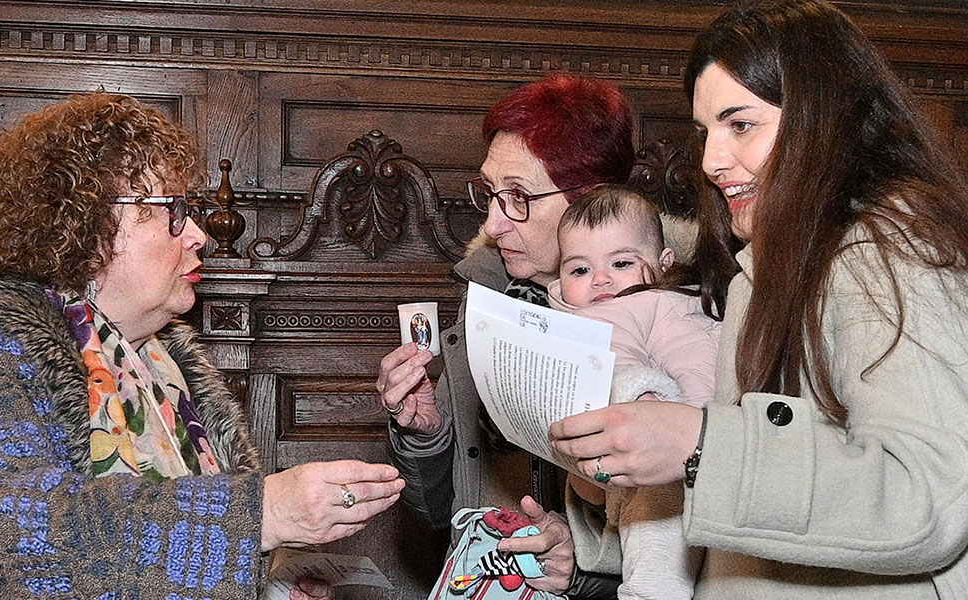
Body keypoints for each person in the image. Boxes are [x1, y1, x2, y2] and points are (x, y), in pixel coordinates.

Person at [0, 92, 405, 600]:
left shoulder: (159, 361)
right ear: (86, 226)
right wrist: (263, 513)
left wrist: (271, 580)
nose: (198, 234)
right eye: (172, 210)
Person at [549, 1, 968, 598]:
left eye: (740, 125)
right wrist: (591, 541)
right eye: (706, 132)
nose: (711, 161)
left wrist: (700, 445)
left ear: (822, 120)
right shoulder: (762, 269)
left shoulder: (890, 250)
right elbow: (760, 525)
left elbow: (926, 498)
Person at [376, 74, 638, 597]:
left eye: (518, 197)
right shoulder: (486, 296)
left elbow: (688, 540)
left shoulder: (668, 313)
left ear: (589, 201)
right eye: (491, 194)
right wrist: (425, 433)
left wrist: (584, 570)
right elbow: (435, 513)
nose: (494, 224)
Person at [547, 184, 719, 599]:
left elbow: (695, 362)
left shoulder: (658, 304)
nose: (600, 279)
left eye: (621, 263)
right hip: (623, 465)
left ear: (663, 263)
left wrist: (653, 404)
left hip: (673, 456)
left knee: (654, 549)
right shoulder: (571, 321)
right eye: (579, 270)